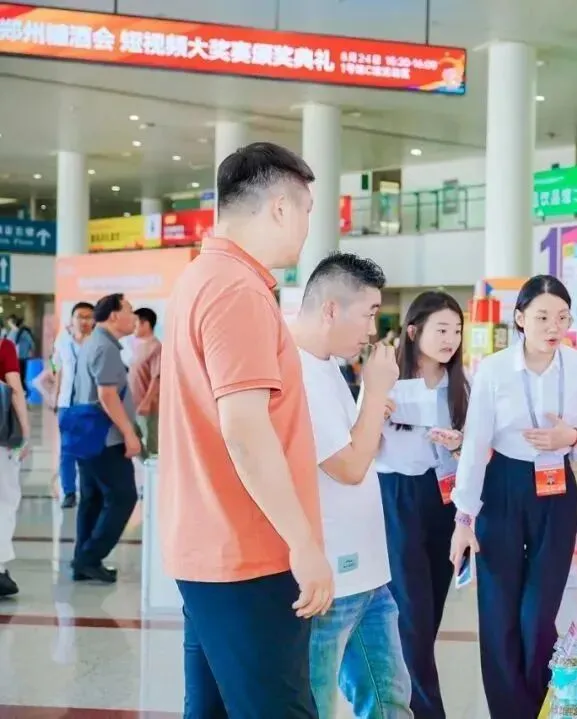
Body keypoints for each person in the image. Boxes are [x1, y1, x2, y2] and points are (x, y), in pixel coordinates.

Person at [158, 142, 331, 718]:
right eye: (306, 209)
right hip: (250, 553)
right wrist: (303, 543)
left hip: (210, 546)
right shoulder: (237, 290)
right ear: (280, 207)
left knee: (210, 709)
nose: (307, 225)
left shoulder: (200, 278)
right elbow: (245, 430)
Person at [448, 274, 577, 719]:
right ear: (520, 318)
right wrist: (464, 518)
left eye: (562, 317)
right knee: (498, 608)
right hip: (503, 485)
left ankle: (538, 704)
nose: (553, 327)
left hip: (557, 488)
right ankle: (509, 711)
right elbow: (475, 442)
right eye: (542, 317)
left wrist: (570, 435)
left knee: (538, 613)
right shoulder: (494, 370)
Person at [291, 252, 413, 718]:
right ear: (330, 309)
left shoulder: (327, 365)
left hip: (368, 577)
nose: (372, 329)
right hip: (332, 584)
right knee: (318, 706)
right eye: (368, 314)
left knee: (389, 702)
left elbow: (353, 448)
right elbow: (347, 467)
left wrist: (370, 406)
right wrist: (377, 390)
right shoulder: (297, 370)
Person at [377, 290, 469, 718]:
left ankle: (403, 705)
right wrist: (374, 413)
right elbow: (361, 445)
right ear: (413, 331)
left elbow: (477, 451)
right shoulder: (386, 380)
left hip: (443, 499)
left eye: (457, 330)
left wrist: (459, 444)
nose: (451, 339)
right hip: (397, 495)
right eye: (442, 329)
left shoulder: (462, 385)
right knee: (411, 614)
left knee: (427, 616)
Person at [70, 293, 140, 584]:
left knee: (93, 499)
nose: (134, 317)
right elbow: (107, 395)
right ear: (113, 315)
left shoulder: (93, 343)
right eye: (130, 311)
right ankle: (88, 558)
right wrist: (129, 434)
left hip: (86, 436)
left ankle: (83, 561)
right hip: (105, 439)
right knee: (124, 496)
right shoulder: (105, 347)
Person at [53, 302, 95, 508]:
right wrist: (55, 397)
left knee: (91, 451)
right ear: (72, 319)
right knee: (67, 451)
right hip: (67, 404)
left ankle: (89, 492)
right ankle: (69, 491)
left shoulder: (98, 343)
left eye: (88, 317)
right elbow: (58, 370)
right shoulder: (62, 342)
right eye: (80, 316)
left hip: (91, 405)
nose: (84, 321)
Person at [0, 335, 31, 597]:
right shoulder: (4, 346)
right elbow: (15, 389)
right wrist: (25, 433)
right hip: (1, 440)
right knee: (3, 500)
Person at [129, 308, 162, 456]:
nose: (132, 326)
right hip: (133, 405)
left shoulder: (156, 347)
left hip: (148, 407)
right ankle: (145, 464)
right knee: (133, 441)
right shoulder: (136, 345)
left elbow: (157, 377)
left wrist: (146, 402)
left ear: (145, 324)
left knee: (151, 447)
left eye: (135, 323)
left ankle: (152, 468)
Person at [5, 316, 34, 385]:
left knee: (20, 375)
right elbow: (31, 344)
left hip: (20, 357)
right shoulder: (21, 332)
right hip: (21, 357)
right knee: (21, 375)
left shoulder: (20, 332)